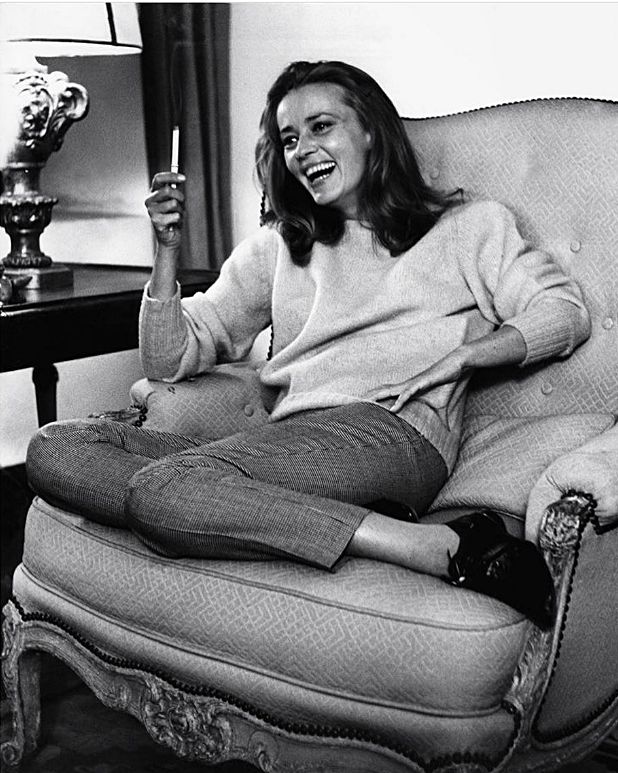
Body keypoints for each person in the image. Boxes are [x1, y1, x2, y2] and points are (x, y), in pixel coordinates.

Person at [27, 60, 591, 630]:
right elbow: (170, 358)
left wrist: (467, 354)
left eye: (321, 127)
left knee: (163, 490)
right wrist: (166, 252)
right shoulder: (279, 248)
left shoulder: (470, 227)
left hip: (390, 432)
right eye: (289, 138)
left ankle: (440, 549)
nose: (302, 151)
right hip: (287, 438)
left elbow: (563, 312)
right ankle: (386, 533)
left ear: (371, 129)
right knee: (57, 448)